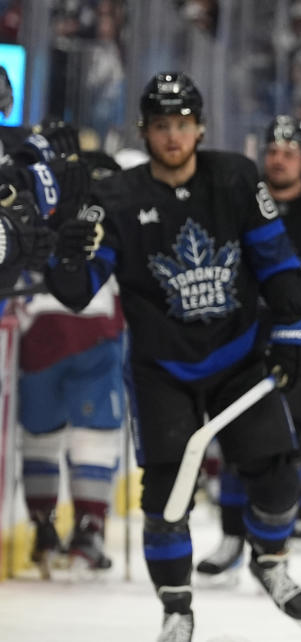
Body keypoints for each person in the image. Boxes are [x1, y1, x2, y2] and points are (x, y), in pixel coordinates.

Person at [43, 72, 301, 641]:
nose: (174, 136)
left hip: (237, 355)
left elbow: (276, 260)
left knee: (280, 478)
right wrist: (62, 253)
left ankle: (269, 559)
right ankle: (176, 607)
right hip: (161, 368)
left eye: (183, 124)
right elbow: (77, 291)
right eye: (162, 126)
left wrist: (292, 326)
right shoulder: (118, 196)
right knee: (166, 495)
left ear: (201, 128)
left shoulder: (237, 178)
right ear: (144, 131)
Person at [196, 114, 301, 582]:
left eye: (289, 153)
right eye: (272, 152)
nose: (278, 160)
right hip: (242, 343)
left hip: (300, 348)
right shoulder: (241, 199)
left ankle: (273, 541)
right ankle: (232, 536)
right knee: (235, 439)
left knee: (287, 445)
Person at [13, 135, 126, 578]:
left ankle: (42, 528)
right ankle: (88, 530)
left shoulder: (28, 183)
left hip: (37, 327)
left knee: (40, 432)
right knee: (94, 435)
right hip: (94, 325)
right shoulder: (115, 192)